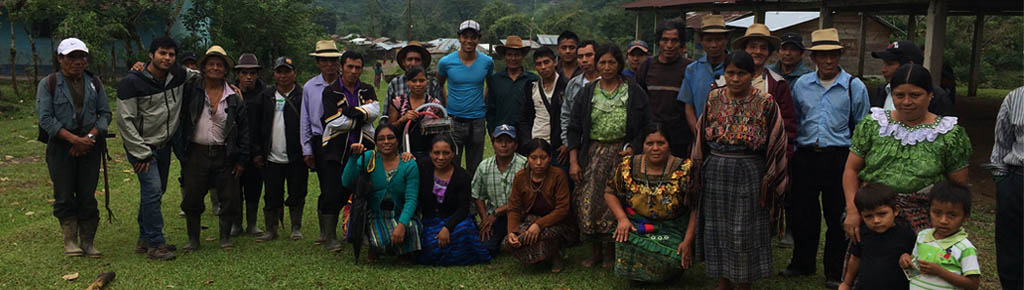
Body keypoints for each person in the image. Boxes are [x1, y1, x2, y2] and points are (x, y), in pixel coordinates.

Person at [691, 51, 788, 290]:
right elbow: (701, 135)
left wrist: (771, 177)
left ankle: (743, 282)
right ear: (724, 74)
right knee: (717, 227)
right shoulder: (713, 97)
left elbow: (777, 140)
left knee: (743, 229)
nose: (735, 79)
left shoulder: (765, 102)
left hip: (749, 172)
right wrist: (696, 169)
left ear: (752, 74)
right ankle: (723, 280)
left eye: (741, 73)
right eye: (730, 73)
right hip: (715, 170)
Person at [783, 28, 871, 289]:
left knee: (838, 216)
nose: (828, 61)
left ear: (840, 56)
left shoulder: (854, 87)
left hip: (840, 158)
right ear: (814, 59)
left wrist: (859, 164)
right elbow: (796, 119)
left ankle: (835, 271)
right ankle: (802, 263)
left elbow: (863, 127)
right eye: (823, 56)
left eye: (833, 55)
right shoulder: (802, 85)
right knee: (803, 214)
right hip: (806, 157)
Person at [843, 64, 971, 236]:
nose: (906, 102)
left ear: (930, 95)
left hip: (924, 225)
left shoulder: (948, 135)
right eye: (899, 95)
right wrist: (852, 210)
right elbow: (851, 169)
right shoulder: (873, 125)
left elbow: (957, 187)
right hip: (874, 216)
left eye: (915, 95)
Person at [567, 43, 651, 269]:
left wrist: (634, 147)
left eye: (611, 62)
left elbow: (645, 125)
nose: (606, 67)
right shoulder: (588, 92)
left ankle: (612, 253)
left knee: (618, 202)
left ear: (619, 64)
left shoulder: (633, 91)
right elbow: (574, 128)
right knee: (591, 201)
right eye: (602, 62)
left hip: (622, 155)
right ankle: (595, 251)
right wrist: (574, 161)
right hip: (593, 153)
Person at [117, 36, 197, 261]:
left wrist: (231, 87)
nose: (167, 58)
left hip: (164, 145)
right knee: (152, 191)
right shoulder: (131, 83)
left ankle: (144, 238)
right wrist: (141, 152)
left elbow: (205, 75)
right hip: (142, 147)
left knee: (156, 192)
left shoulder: (179, 75)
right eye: (162, 53)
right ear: (151, 55)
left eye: (171, 54)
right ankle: (155, 244)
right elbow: (125, 121)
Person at [38, 37, 112, 258]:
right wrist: (73, 140)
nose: (78, 61)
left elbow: (105, 114)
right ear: (60, 59)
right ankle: (70, 240)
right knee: (64, 194)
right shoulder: (49, 84)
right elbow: (46, 118)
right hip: (61, 147)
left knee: (88, 194)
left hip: (90, 146)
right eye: (72, 57)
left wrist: (88, 138)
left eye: (81, 56)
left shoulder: (94, 83)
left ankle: (87, 241)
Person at [604, 124, 696, 282]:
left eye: (661, 143)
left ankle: (666, 272)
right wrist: (622, 219)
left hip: (671, 227)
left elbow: (696, 207)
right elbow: (609, 192)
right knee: (624, 239)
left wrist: (687, 241)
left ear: (669, 145)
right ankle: (640, 275)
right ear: (642, 146)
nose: (655, 148)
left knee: (674, 257)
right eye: (649, 144)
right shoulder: (628, 165)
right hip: (638, 224)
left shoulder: (685, 169)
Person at [179, 45, 250, 251]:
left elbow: (244, 130)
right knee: (192, 196)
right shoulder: (192, 90)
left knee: (229, 197)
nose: (216, 68)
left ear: (226, 70)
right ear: (203, 67)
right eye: (211, 64)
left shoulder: (234, 97)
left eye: (220, 65)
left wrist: (242, 160)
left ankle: (225, 238)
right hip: (196, 152)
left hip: (224, 153)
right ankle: (193, 239)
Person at [317, 50, 380, 252]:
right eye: (350, 67)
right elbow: (332, 121)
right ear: (341, 67)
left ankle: (358, 233)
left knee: (361, 191)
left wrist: (349, 112)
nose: (354, 71)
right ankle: (330, 236)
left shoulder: (367, 89)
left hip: (364, 150)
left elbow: (375, 113)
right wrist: (363, 113)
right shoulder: (330, 91)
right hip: (336, 152)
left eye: (358, 67)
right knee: (332, 193)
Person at [345, 123, 422, 262]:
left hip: (399, 213)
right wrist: (353, 157)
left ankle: (400, 250)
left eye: (390, 138)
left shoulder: (408, 163)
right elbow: (346, 182)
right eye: (381, 139)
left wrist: (402, 224)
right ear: (376, 142)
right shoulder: (369, 158)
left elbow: (411, 198)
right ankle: (377, 247)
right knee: (381, 240)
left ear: (398, 140)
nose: (386, 142)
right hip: (375, 215)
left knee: (412, 229)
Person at [503, 138, 577, 273]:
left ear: (550, 158)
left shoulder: (558, 175)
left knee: (546, 235)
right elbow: (514, 207)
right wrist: (512, 232)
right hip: (530, 220)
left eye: (543, 158)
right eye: (533, 158)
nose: (538, 163)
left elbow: (562, 209)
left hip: (557, 223)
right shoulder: (520, 177)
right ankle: (539, 257)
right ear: (527, 158)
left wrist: (539, 225)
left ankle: (555, 256)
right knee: (509, 242)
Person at [255, 56, 308, 242]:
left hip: (297, 156)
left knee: (297, 192)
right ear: (274, 74)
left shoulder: (303, 96)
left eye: (287, 71)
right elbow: (256, 125)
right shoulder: (265, 96)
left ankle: (296, 227)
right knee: (271, 195)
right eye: (279, 71)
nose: (283, 75)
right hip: (271, 156)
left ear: (295, 73)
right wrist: (258, 152)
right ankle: (271, 229)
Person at [416, 136, 491, 265]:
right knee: (431, 244)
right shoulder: (423, 169)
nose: (441, 157)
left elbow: (463, 209)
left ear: (453, 154)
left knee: (464, 232)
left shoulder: (462, 176)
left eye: (446, 153)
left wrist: (447, 228)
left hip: (455, 219)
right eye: (436, 153)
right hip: (431, 221)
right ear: (430, 153)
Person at [725, 23, 798, 152]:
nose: (757, 52)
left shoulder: (778, 84)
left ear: (769, 53)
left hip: (763, 154)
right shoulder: (723, 82)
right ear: (744, 49)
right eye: (752, 47)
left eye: (763, 48)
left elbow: (787, 125)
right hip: (725, 151)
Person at [437, 20, 494, 177]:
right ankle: (454, 199)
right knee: (451, 165)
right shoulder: (446, 62)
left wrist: (481, 102)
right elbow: (439, 85)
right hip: (454, 121)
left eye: (473, 37)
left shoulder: (487, 62)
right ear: (459, 38)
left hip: (477, 122)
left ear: (478, 39)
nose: (469, 40)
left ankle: (472, 200)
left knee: (474, 167)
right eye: (465, 36)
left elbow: (490, 85)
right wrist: (447, 103)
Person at [899, 182, 981, 290]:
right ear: (929, 211)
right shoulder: (922, 236)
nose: (943, 221)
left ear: (965, 217)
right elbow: (914, 269)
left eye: (952, 215)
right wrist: (906, 260)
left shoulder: (965, 248)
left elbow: (973, 285)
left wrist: (940, 272)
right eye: (937, 213)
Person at [300, 39, 341, 247]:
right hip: (320, 141)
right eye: (324, 60)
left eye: (333, 60)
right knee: (327, 186)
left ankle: (347, 228)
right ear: (318, 63)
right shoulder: (310, 86)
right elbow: (305, 120)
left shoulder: (345, 84)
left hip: (343, 140)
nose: (329, 65)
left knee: (345, 184)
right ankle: (327, 233)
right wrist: (307, 148)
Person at [839, 183, 916, 290]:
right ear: (861, 216)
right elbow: (855, 259)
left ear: (896, 210)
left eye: (882, 214)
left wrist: (907, 258)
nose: (876, 220)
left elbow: (916, 262)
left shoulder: (907, 234)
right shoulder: (862, 233)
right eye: (868, 216)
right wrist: (847, 283)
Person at [635, 20, 694, 157]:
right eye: (665, 40)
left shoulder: (690, 69)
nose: (669, 45)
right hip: (652, 140)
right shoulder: (647, 67)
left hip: (680, 141)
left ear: (681, 44)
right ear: (658, 42)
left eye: (674, 41)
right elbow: (638, 104)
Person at [987, 86, 1024, 290]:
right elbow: (1002, 141)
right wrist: (1003, 183)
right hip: (1018, 182)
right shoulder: (1016, 97)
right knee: (1012, 253)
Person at [471, 124, 528, 255]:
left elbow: (524, 199)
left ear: (516, 144)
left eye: (509, 141)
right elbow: (477, 195)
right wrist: (485, 219)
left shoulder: (524, 165)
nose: (504, 145)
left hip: (520, 215)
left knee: (525, 243)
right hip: (496, 219)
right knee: (485, 248)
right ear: (493, 143)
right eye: (499, 141)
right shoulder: (484, 166)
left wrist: (496, 212)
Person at [869, 41, 953, 116]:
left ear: (910, 65)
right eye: (899, 95)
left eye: (890, 64)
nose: (883, 70)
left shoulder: (938, 97)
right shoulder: (883, 90)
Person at [679, 14, 730, 136]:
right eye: (708, 40)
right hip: (701, 134)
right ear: (701, 41)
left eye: (718, 39)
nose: (713, 45)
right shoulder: (692, 69)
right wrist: (698, 132)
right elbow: (689, 106)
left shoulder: (736, 67)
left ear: (726, 40)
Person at [233, 53, 266, 236]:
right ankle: (236, 224)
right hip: (235, 150)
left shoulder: (265, 94)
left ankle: (251, 223)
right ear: (238, 74)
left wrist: (259, 151)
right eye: (244, 73)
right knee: (234, 189)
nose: (248, 77)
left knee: (254, 188)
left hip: (256, 151)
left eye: (252, 73)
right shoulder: (229, 92)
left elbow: (265, 125)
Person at [517, 47, 568, 160]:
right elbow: (523, 117)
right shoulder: (531, 86)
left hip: (558, 147)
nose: (543, 67)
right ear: (535, 67)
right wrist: (527, 142)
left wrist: (567, 143)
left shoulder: (566, 85)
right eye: (539, 64)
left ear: (555, 62)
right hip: (536, 143)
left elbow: (572, 117)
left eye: (546, 62)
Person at [387, 66, 444, 161]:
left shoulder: (435, 105)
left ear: (427, 82)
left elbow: (442, 131)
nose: (418, 84)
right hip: (404, 153)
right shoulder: (398, 102)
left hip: (429, 154)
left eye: (422, 80)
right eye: (414, 81)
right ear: (407, 83)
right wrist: (403, 119)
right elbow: (389, 129)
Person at [486, 35, 539, 135]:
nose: (513, 58)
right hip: (502, 132)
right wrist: (492, 131)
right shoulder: (495, 80)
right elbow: (490, 109)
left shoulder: (533, 80)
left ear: (522, 56)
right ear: (504, 56)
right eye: (509, 54)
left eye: (517, 55)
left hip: (527, 132)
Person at [558, 40, 598, 161]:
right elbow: (566, 115)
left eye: (589, 55)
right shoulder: (573, 84)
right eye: (580, 57)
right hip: (578, 146)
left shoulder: (609, 83)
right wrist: (568, 143)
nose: (584, 60)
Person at [383, 41, 442, 123]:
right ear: (404, 62)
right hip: (401, 132)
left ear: (422, 62)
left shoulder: (433, 83)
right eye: (409, 59)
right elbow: (386, 114)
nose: (413, 63)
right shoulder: (395, 83)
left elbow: (440, 113)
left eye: (417, 60)